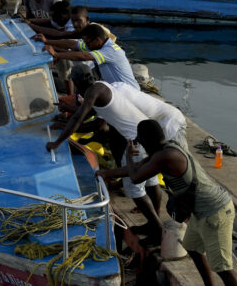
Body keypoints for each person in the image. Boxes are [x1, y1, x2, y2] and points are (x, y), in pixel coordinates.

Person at [120, 120, 237, 286]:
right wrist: (107, 173)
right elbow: (137, 170)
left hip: (216, 211)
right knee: (192, 247)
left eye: (141, 141)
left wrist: (129, 154)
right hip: (202, 212)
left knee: (223, 267)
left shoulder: (165, 156)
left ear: (146, 140)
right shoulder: (165, 149)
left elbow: (136, 176)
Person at [46, 81, 164, 240]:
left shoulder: (93, 91)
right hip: (145, 137)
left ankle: (156, 227)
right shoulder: (104, 88)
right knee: (151, 181)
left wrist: (57, 142)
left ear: (79, 79)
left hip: (135, 141)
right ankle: (155, 220)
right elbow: (85, 115)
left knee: (135, 189)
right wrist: (64, 122)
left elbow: (78, 119)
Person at [38, 22, 139, 90]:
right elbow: (72, 44)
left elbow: (84, 56)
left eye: (87, 42)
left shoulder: (111, 50)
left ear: (97, 40)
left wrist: (56, 54)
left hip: (129, 91)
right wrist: (47, 41)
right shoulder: (96, 44)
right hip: (116, 89)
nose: (85, 45)